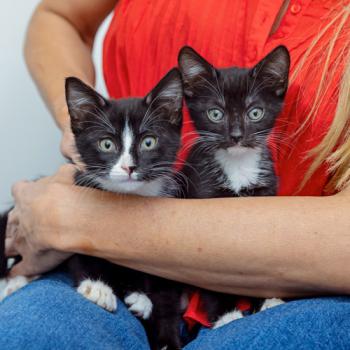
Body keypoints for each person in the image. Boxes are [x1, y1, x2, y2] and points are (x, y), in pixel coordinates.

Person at [2, 0, 350, 348]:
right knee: (30, 337)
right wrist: (83, 124)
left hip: (298, 292)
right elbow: (60, 16)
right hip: (115, 268)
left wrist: (77, 221)